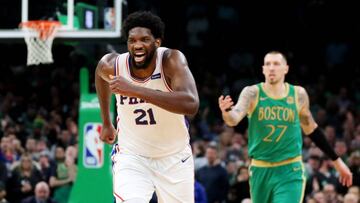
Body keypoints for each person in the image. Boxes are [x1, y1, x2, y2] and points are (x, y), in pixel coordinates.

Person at [218, 51, 353, 203]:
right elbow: (233, 119)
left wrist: (337, 161)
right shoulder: (252, 92)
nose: (271, 68)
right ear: (263, 69)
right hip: (259, 169)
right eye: (268, 64)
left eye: (276, 64)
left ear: (286, 68)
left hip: (290, 169)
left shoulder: (298, 94)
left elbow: (311, 129)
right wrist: (226, 111)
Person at [95, 11, 199, 203]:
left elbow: (191, 104)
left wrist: (135, 90)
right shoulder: (114, 65)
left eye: (144, 39)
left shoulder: (171, 60)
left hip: (175, 158)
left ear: (157, 43)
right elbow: (99, 74)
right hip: (132, 157)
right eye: (132, 40)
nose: (137, 45)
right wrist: (107, 122)